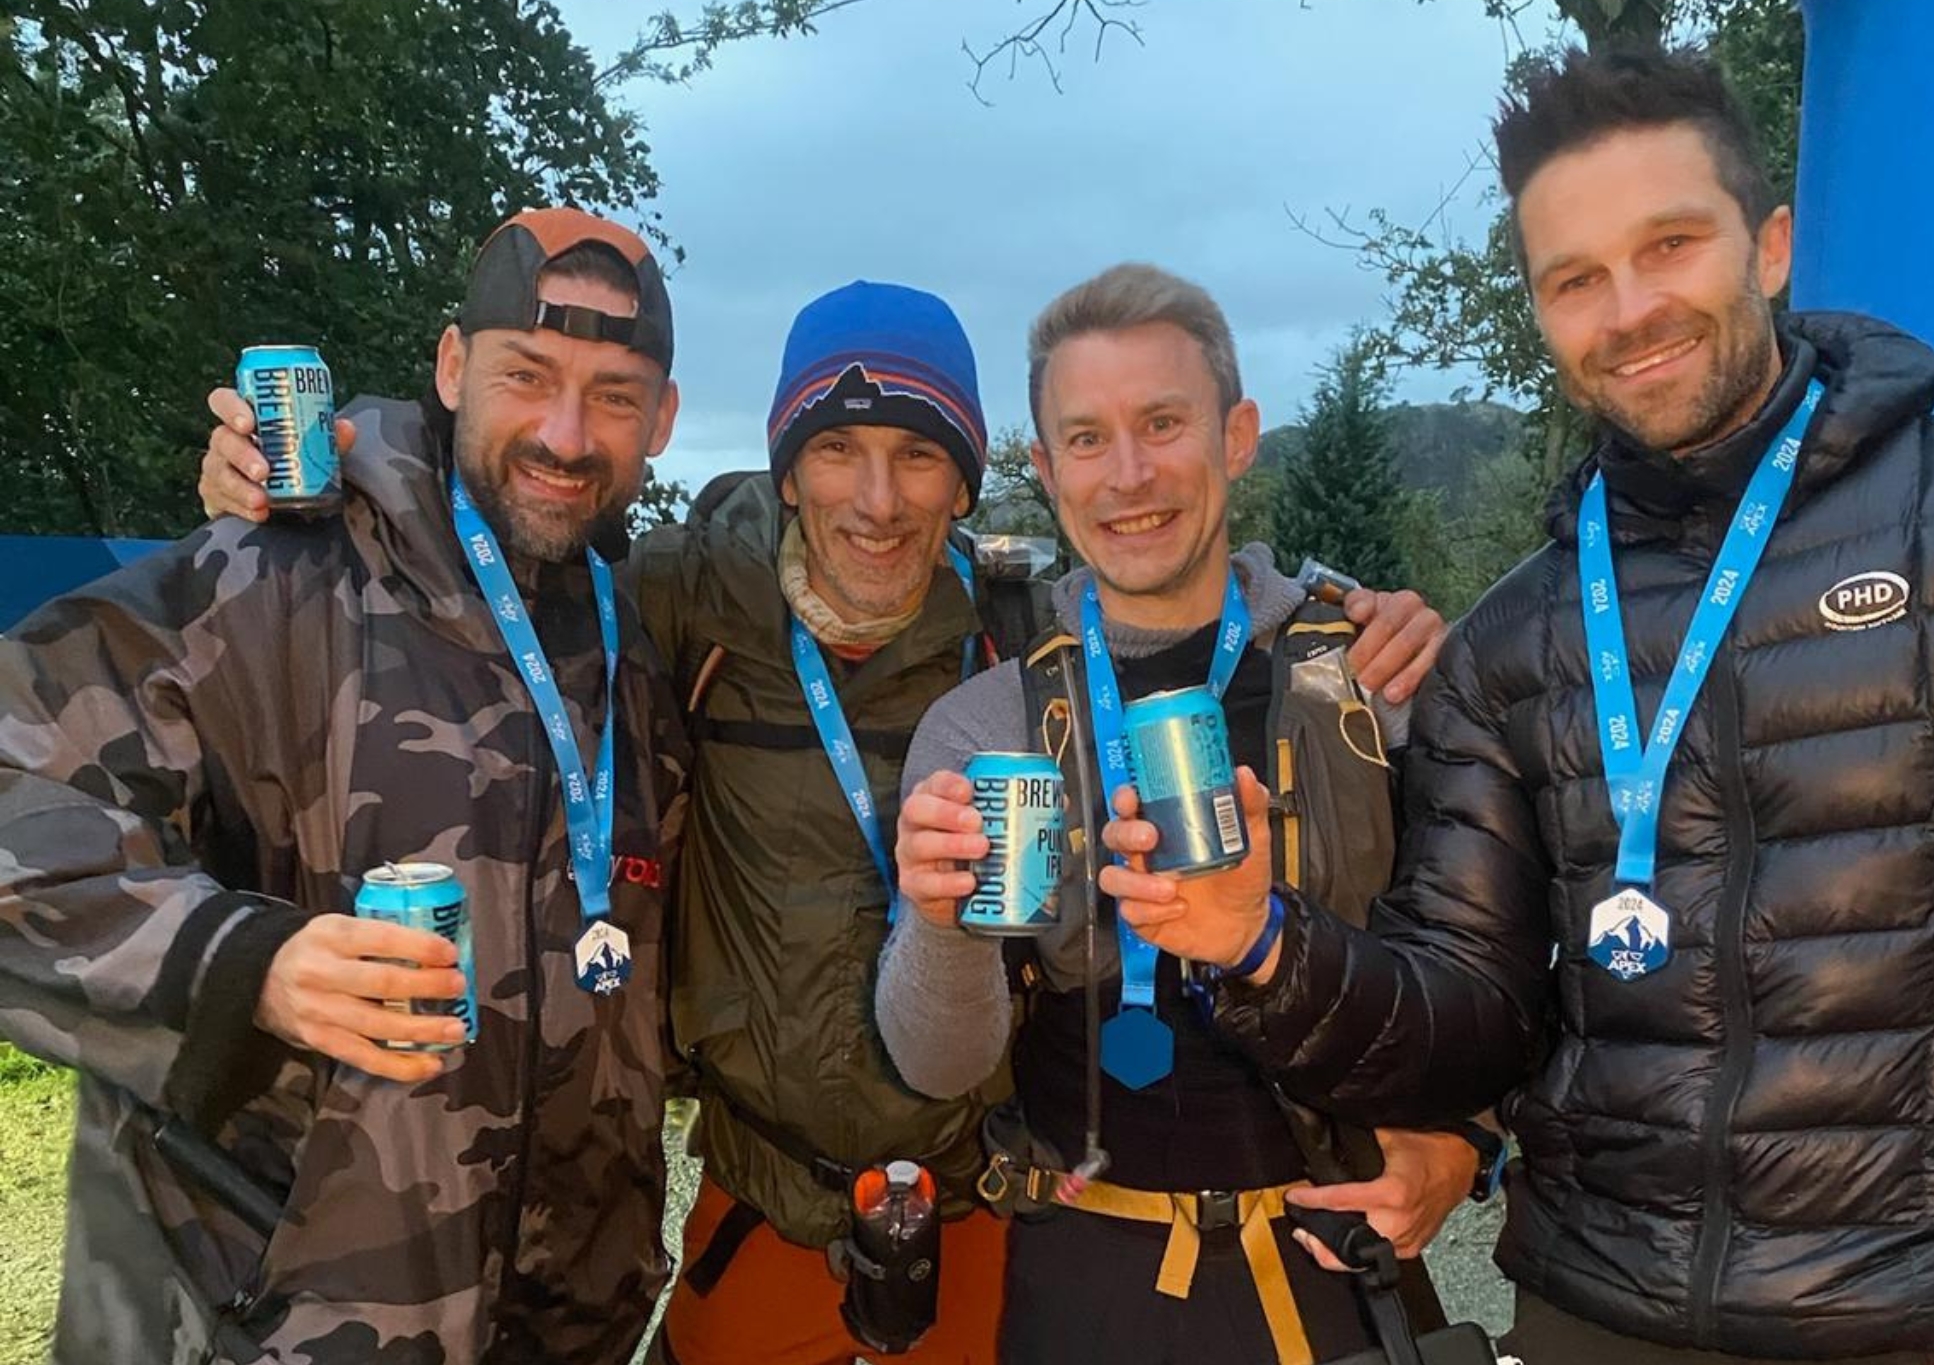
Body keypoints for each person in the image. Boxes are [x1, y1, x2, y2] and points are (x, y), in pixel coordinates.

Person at [201, 275, 1451, 1365]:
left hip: (975, 1201)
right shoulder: (680, 604)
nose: (877, 499)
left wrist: (1357, 614)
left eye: (919, 458)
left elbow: (1173, 576)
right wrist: (322, 481)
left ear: (964, 483)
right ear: (785, 463)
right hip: (760, 1199)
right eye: (838, 452)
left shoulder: (1013, 630)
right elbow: (498, 555)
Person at [1129, 45, 1934, 1365]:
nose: (1630, 308)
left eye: (1670, 245)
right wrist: (1261, 944)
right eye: (1576, 279)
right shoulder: (1517, 637)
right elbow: (1469, 1019)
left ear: (1770, 246)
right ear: (1544, 315)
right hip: (1593, 1312)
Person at [0, 207, 688, 1363]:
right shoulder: (273, 576)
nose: (566, 434)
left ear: (661, 420)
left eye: (614, 394)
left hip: (557, 1331)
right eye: (528, 375)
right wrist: (243, 964)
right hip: (267, 1325)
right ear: (453, 365)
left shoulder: (631, 645)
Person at [877, 262, 1483, 1365]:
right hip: (1077, 1280)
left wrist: (1463, 1142)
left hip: (1333, 1276)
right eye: (1087, 438)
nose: (1128, 474)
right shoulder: (985, 724)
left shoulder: (1373, 684)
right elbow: (937, 1066)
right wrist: (934, 923)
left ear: (1235, 436)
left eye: (1162, 423)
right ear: (1045, 468)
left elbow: (1490, 960)